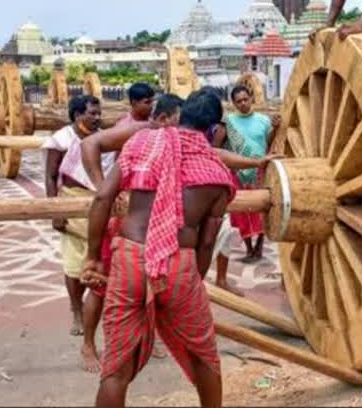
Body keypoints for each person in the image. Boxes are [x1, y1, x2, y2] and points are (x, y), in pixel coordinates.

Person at [82, 89, 237, 408]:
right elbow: (207, 241)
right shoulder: (219, 176)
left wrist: (94, 257)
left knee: (116, 367)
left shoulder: (142, 144)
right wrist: (194, 280)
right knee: (202, 354)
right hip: (178, 262)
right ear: (212, 129)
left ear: (181, 116)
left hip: (129, 256)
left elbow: (102, 198)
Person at [78, 93, 182, 372]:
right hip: (120, 223)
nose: (180, 128)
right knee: (100, 285)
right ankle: (88, 344)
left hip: (150, 228)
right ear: (163, 119)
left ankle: (146, 336)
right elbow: (90, 143)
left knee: (150, 283)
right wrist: (104, 188)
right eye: (177, 121)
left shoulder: (173, 139)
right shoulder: (143, 130)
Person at [43, 95, 115, 337]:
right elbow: (51, 177)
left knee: (102, 257)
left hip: (100, 202)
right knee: (74, 263)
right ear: (76, 115)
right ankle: (77, 310)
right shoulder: (61, 139)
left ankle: (99, 307)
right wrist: (56, 211)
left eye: (98, 113)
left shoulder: (104, 137)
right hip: (71, 201)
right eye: (91, 113)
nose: (97, 118)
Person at [213, 84, 280, 263]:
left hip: (259, 171)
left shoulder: (264, 121)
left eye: (245, 99)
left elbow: (268, 142)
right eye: (238, 101)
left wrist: (275, 130)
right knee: (241, 212)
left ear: (251, 98)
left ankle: (258, 248)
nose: (243, 103)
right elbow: (217, 146)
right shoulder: (228, 123)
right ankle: (248, 248)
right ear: (233, 104)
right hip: (237, 172)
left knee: (262, 210)